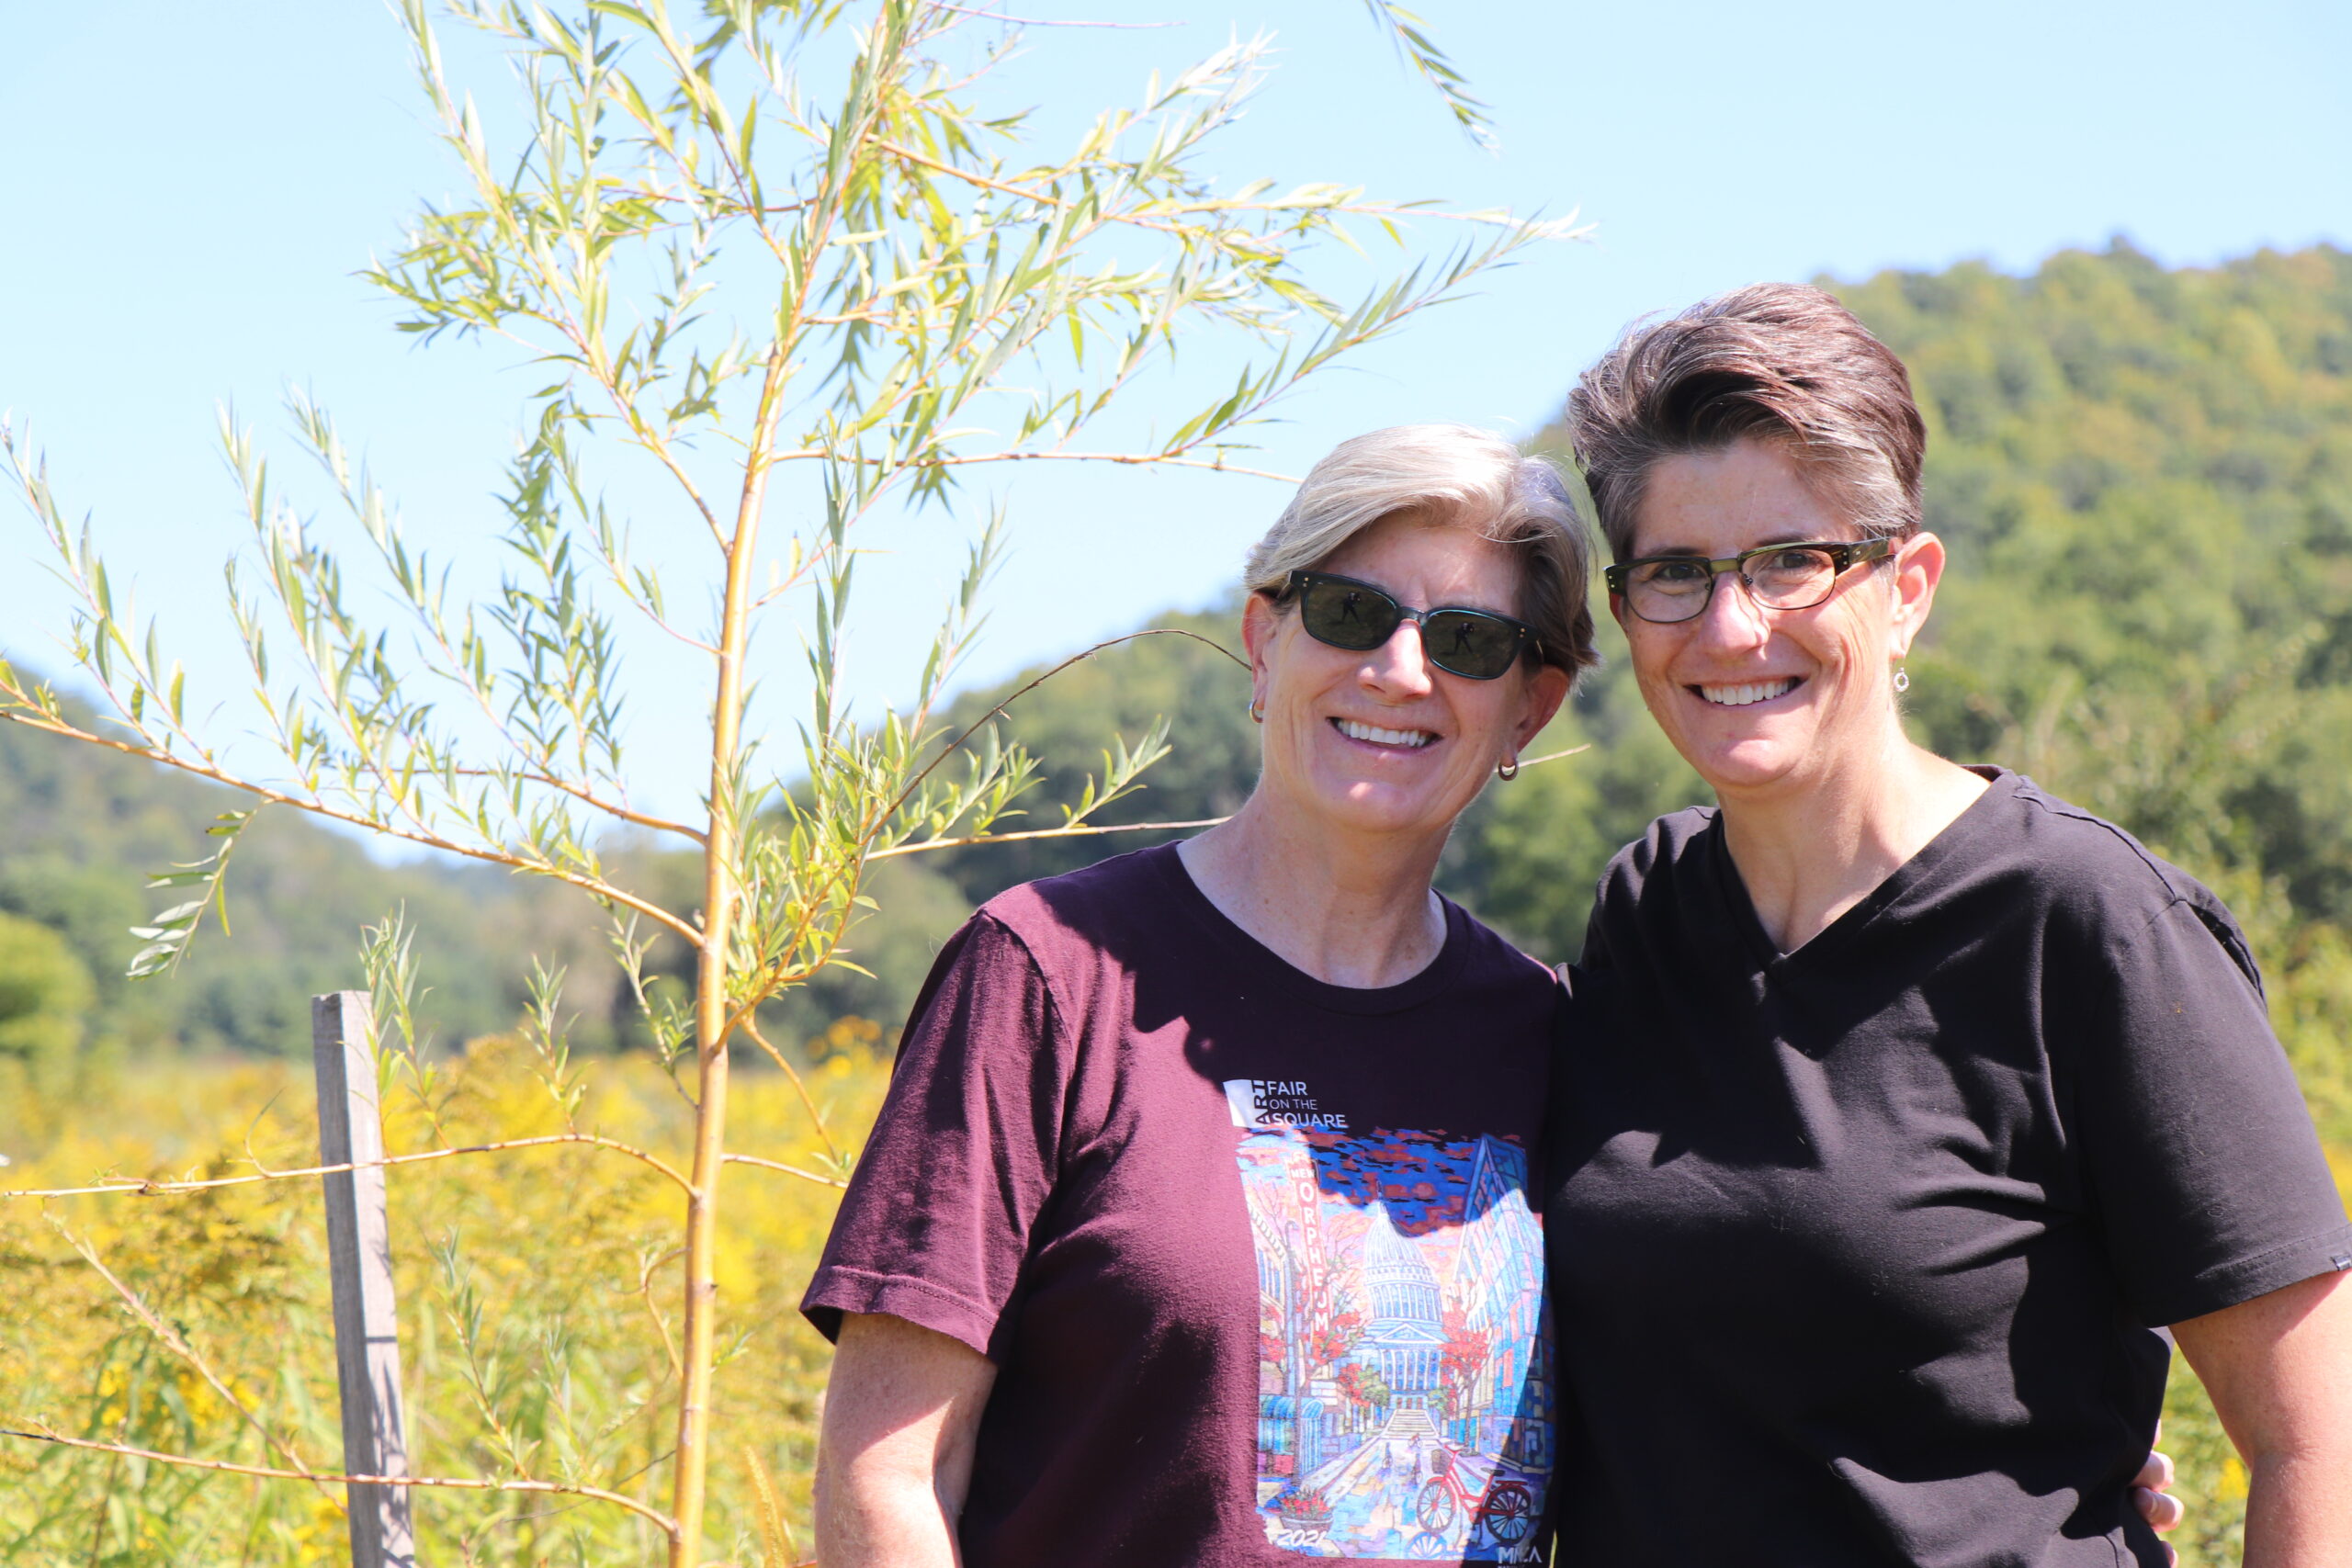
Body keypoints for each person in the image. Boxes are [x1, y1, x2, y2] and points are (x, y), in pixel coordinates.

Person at [1546, 284, 2352, 1566]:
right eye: (1675, 573)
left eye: (1790, 559)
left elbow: (2322, 1445)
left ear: (1907, 584)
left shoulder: (2083, 922)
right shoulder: (1644, 914)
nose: (1729, 625)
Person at [805, 424, 1589, 1565]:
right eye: (1349, 614)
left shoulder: (1548, 1034)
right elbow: (889, 1477)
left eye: (1468, 640)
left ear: (1531, 708)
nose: (1399, 670)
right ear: (1264, 640)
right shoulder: (1048, 973)